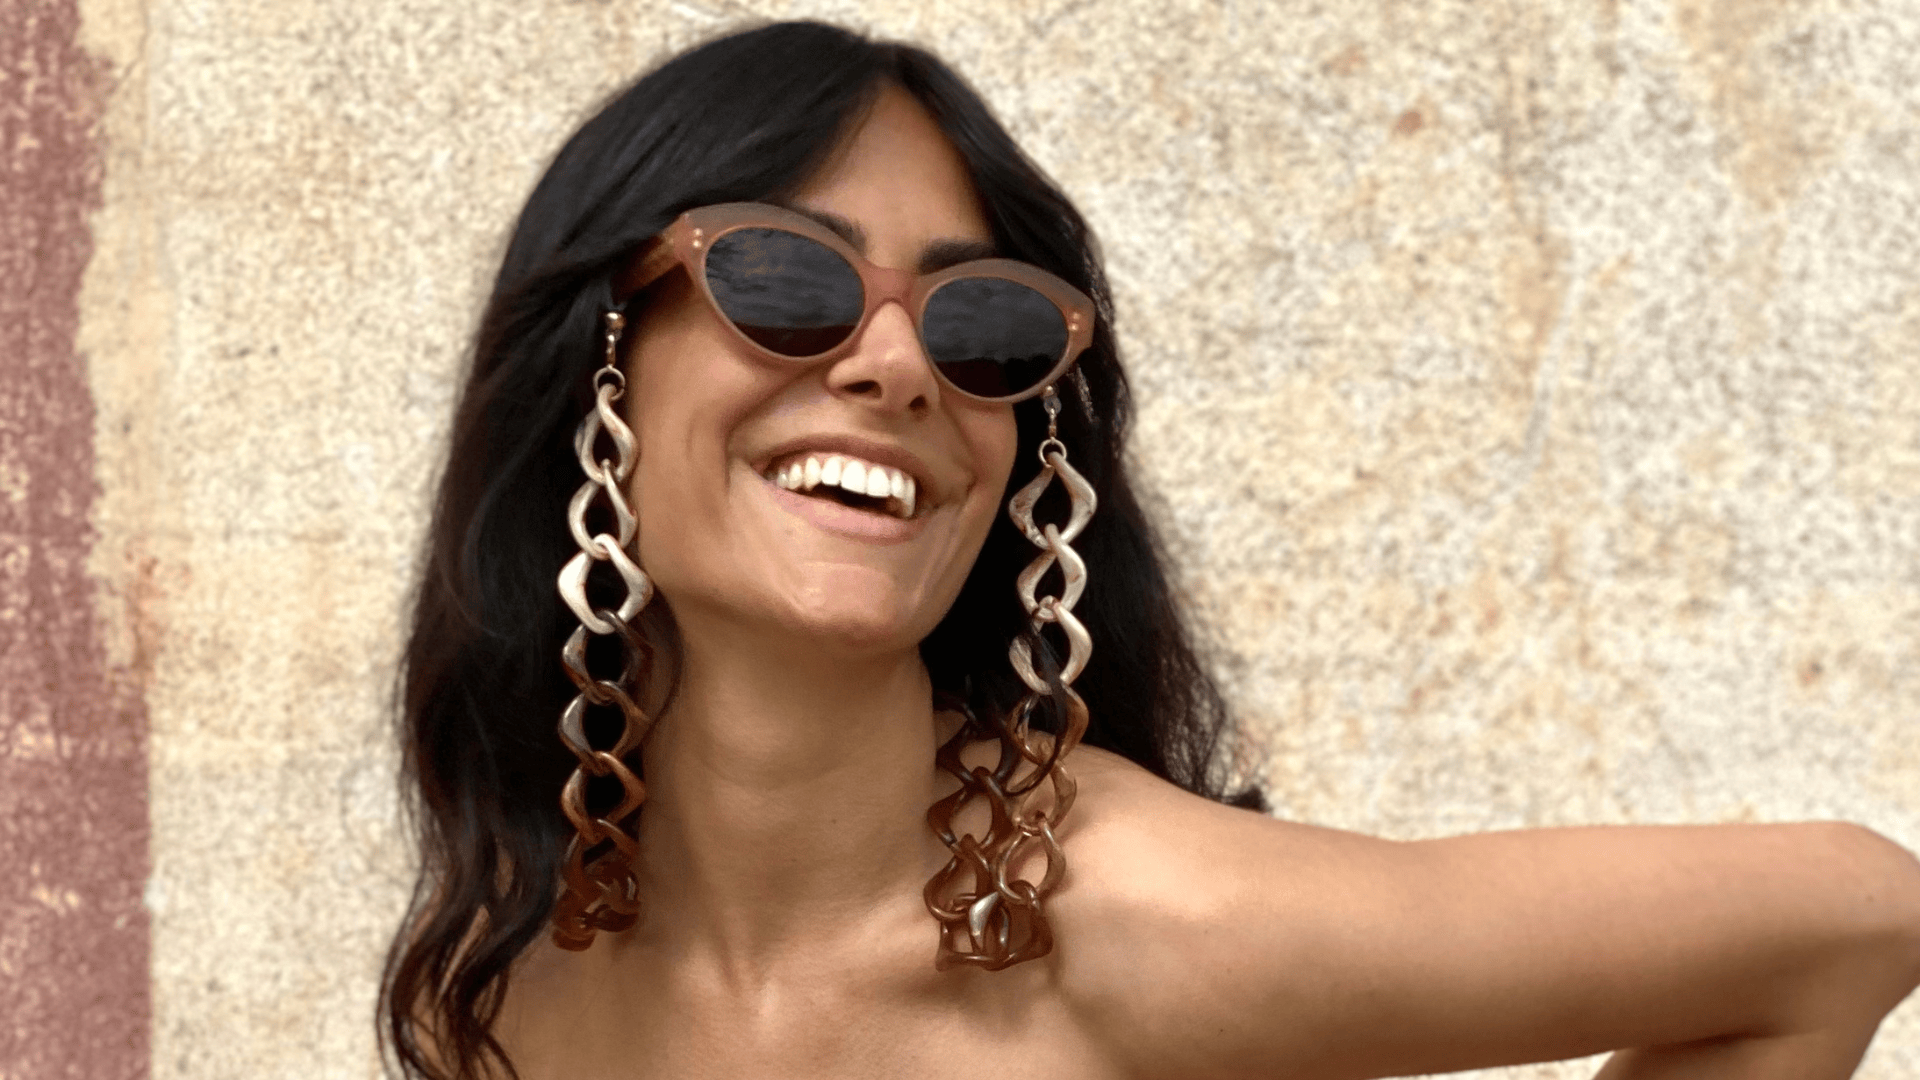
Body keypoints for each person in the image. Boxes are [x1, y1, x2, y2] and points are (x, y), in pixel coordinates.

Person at [381, 20, 1920, 1080]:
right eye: (788, 283)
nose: (897, 368)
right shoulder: (514, 958)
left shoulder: (1140, 921)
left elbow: (1856, 911)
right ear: (596, 361)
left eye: (981, 321)